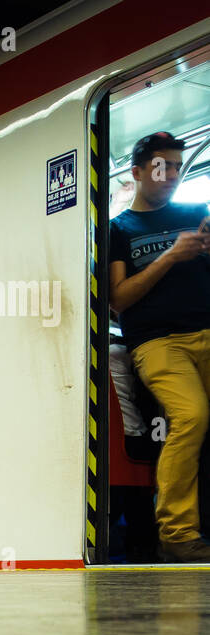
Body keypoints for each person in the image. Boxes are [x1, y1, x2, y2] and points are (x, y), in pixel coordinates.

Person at [109, 130, 210, 562]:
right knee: (191, 416)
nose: (169, 174)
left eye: (175, 166)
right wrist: (171, 255)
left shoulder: (197, 212)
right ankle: (177, 534)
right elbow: (118, 300)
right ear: (135, 173)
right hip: (157, 343)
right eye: (159, 166)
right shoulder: (119, 229)